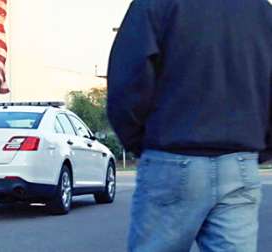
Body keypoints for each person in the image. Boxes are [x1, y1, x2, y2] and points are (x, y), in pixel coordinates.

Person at [107, 0, 272, 251]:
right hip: (239, 162)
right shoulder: (260, 9)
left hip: (171, 158)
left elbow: (127, 80)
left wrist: (140, 142)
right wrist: (261, 146)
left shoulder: (155, 4)